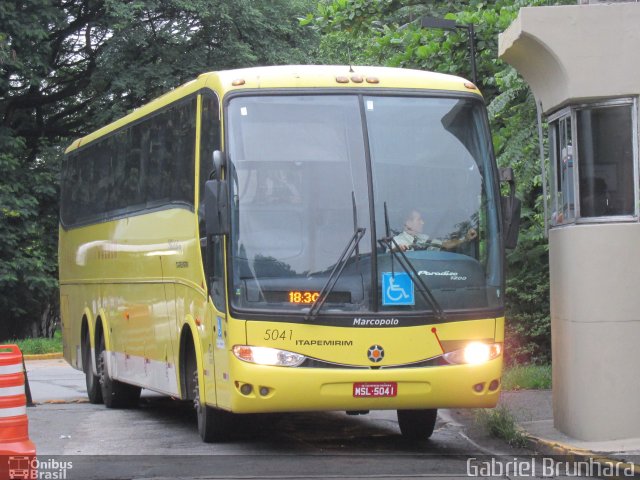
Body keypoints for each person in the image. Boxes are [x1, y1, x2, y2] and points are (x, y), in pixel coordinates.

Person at [392, 209, 477, 252]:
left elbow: (445, 245)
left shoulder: (424, 238)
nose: (423, 222)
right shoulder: (397, 240)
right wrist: (398, 249)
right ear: (408, 222)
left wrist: (465, 238)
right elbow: (390, 254)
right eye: (419, 219)